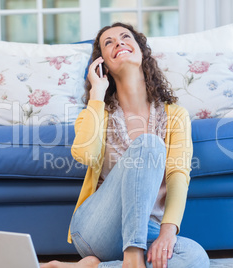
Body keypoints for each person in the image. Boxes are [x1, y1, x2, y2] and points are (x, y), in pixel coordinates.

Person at [41, 22, 210, 268]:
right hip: (97, 229)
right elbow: (86, 155)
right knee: (149, 146)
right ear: (104, 65)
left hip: (147, 229)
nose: (118, 43)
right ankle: (132, 257)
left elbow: (178, 175)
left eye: (124, 37)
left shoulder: (175, 115)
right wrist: (97, 94)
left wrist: (167, 233)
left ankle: (89, 267)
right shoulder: (94, 113)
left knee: (195, 258)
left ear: (142, 52)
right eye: (108, 43)